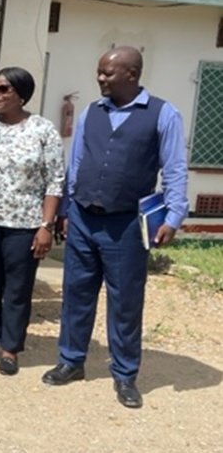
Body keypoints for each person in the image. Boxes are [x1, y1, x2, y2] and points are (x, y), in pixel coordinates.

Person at [42, 46, 188, 409]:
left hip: (126, 225)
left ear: (132, 74)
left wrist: (173, 216)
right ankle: (71, 360)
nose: (100, 78)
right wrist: (65, 208)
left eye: (108, 73)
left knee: (125, 302)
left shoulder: (162, 114)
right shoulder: (92, 111)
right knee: (76, 294)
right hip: (83, 218)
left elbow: (174, 168)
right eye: (99, 71)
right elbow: (76, 162)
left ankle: (125, 375)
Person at [0, 67, 64, 376]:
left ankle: (10, 348)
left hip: (24, 224)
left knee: (18, 288)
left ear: (21, 94)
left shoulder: (42, 130)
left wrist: (46, 226)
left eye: (3, 89)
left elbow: (55, 181)